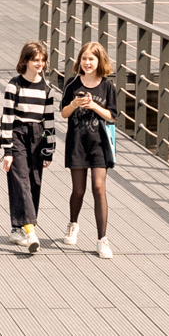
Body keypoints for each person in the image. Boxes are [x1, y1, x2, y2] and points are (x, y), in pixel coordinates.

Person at [0, 41, 58, 255]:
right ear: (25, 61)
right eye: (35, 60)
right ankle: (31, 231)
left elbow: (50, 120)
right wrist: (7, 150)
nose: (39, 64)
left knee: (34, 181)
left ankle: (18, 228)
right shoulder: (15, 85)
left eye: (42, 60)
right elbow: (7, 117)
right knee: (20, 179)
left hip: (38, 135)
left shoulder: (47, 87)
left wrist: (49, 147)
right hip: (18, 134)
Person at [60, 41, 119, 258]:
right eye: (84, 58)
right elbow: (64, 114)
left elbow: (113, 116)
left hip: (100, 144)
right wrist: (74, 105)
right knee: (78, 190)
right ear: (79, 60)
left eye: (91, 59)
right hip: (77, 143)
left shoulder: (107, 86)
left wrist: (94, 106)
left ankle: (102, 239)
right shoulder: (72, 84)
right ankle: (73, 223)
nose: (87, 63)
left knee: (98, 187)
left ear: (99, 61)